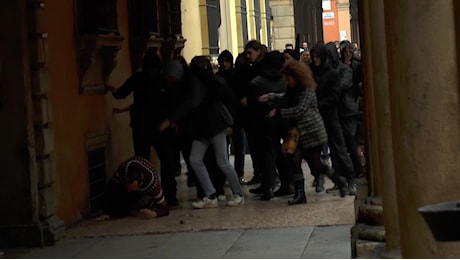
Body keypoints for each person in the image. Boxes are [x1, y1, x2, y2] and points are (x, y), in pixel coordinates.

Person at [159, 56, 245, 209]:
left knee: (216, 161)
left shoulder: (193, 81)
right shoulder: (210, 79)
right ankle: (212, 194)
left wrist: (171, 120)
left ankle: (235, 194)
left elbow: (191, 102)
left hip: (210, 127)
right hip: (208, 127)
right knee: (199, 160)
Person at [105, 49, 179, 205]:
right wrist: (171, 122)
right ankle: (169, 196)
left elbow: (121, 94)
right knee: (167, 161)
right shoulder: (162, 80)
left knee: (142, 163)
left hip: (141, 127)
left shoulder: (137, 78)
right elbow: (172, 102)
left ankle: (145, 196)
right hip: (160, 127)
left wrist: (113, 90)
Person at [265, 59, 329, 204]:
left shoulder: (307, 90)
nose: (287, 81)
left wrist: (279, 112)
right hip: (298, 132)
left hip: (311, 131)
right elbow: (285, 97)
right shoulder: (292, 89)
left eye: (289, 77)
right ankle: (300, 193)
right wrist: (271, 96)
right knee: (293, 159)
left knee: (315, 164)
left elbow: (300, 110)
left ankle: (338, 178)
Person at [94, 156, 169, 221]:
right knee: (118, 196)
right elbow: (111, 188)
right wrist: (106, 212)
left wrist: (154, 214)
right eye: (128, 188)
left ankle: (147, 204)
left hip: (142, 195)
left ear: (140, 184)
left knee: (137, 205)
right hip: (125, 191)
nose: (129, 190)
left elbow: (165, 208)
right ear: (126, 178)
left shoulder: (153, 183)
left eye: (132, 189)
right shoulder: (123, 169)